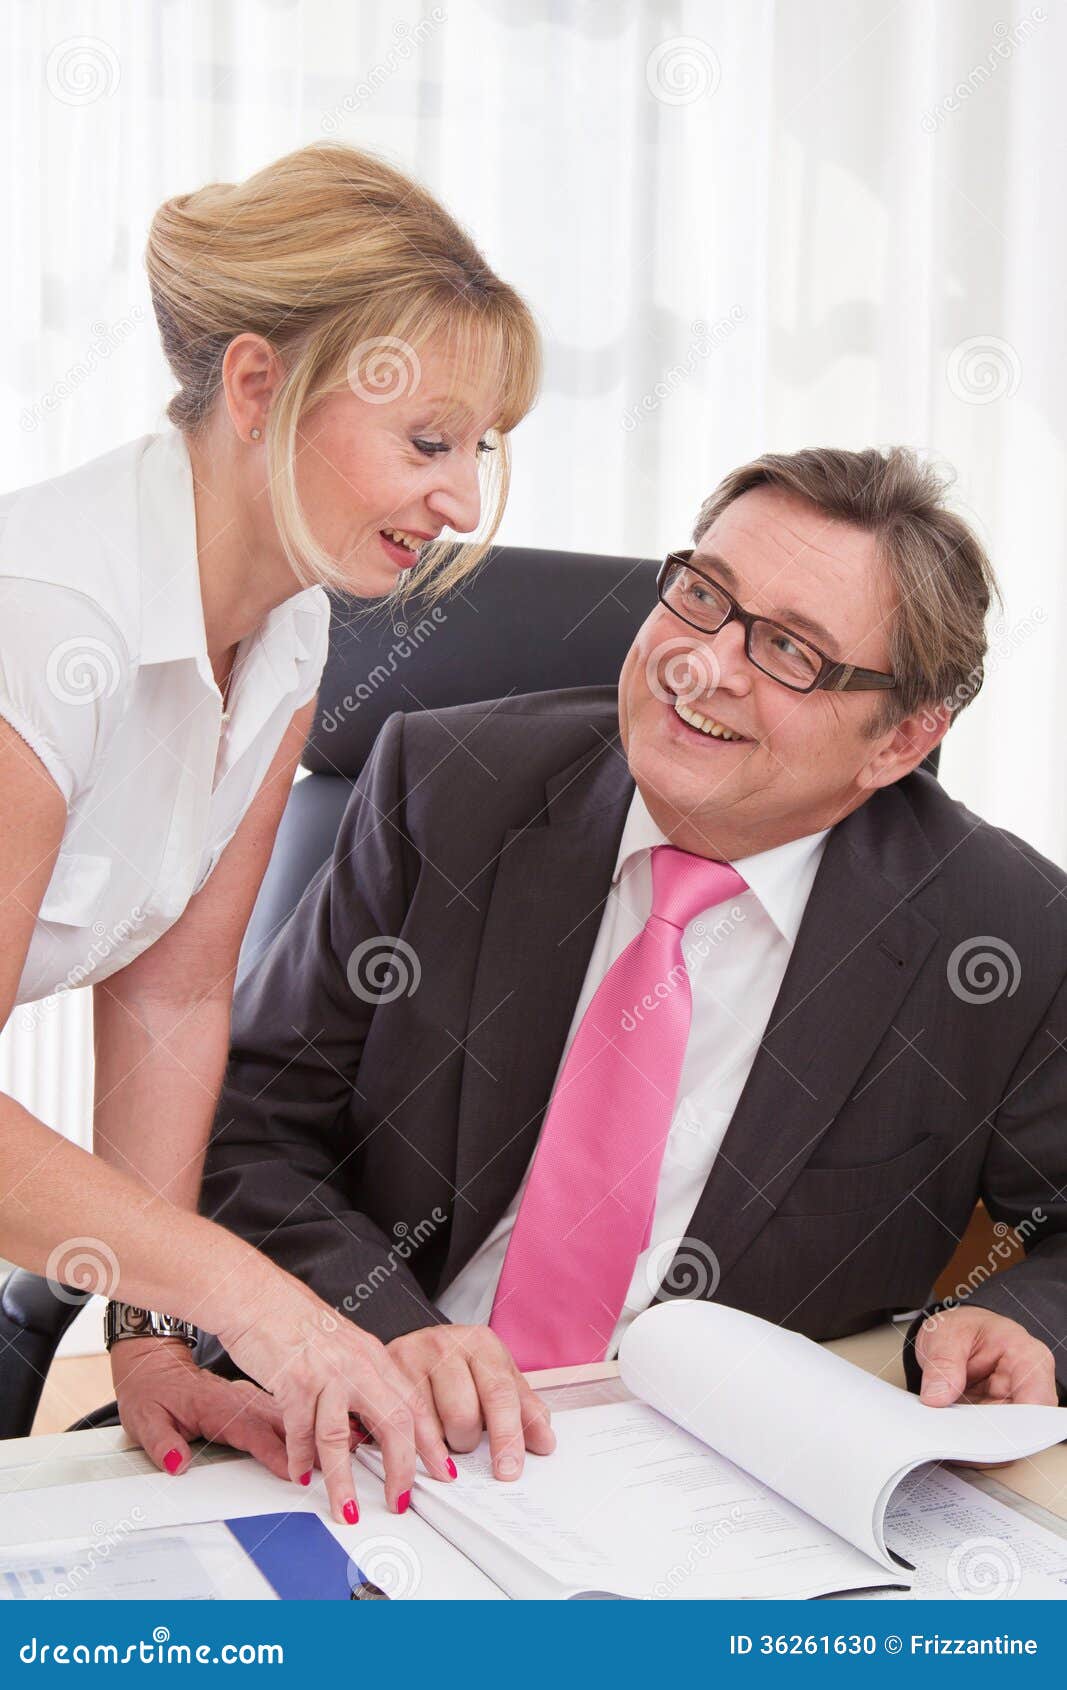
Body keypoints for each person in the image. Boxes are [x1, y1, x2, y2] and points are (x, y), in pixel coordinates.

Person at [155, 447, 1066, 1482]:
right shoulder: (446, 790)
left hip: (719, 1486)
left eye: (788, 651)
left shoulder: (1004, 932)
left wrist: (1020, 1316)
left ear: (899, 741)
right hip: (374, 1428)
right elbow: (248, 1130)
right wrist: (383, 1331)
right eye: (701, 594)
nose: (703, 664)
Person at [0, 139, 540, 1526]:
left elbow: (172, 994)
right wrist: (253, 1299)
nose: (462, 499)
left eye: (476, 448)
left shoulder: (290, 620)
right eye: (428, 442)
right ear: (256, 386)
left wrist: (148, 1336)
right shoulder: (46, 619)